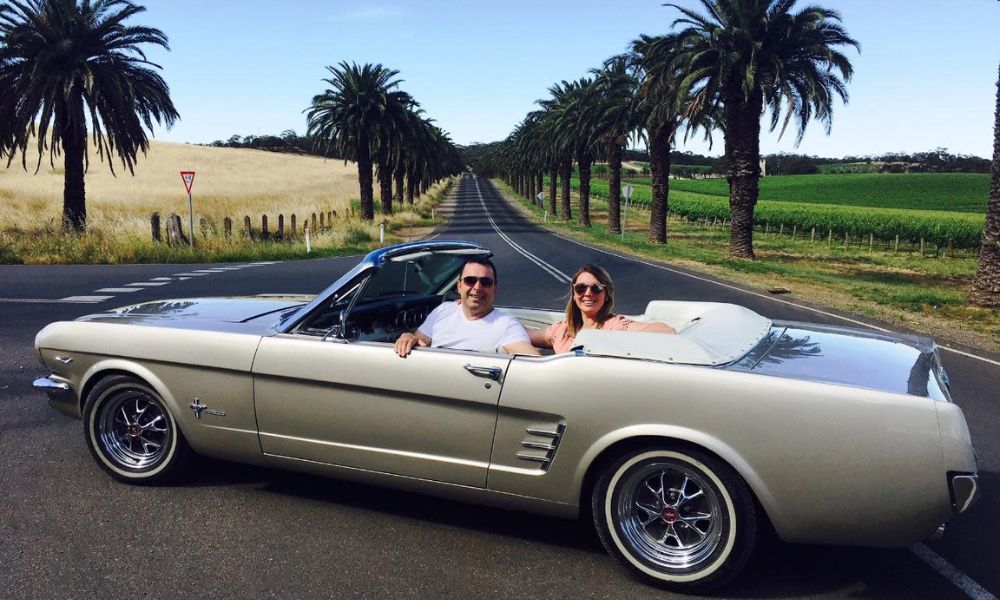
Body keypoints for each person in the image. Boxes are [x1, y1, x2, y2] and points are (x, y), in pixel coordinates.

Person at [394, 257, 539, 357]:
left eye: (485, 282)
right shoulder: (443, 310)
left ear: (495, 289)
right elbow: (419, 339)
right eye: (470, 280)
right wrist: (408, 336)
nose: (477, 287)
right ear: (459, 286)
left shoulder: (506, 325)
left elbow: (534, 364)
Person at [529, 264, 676, 353]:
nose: (588, 293)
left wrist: (607, 341)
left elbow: (666, 332)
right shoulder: (562, 331)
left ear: (606, 294)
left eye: (596, 288)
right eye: (581, 288)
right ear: (574, 294)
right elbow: (524, 334)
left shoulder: (615, 326)